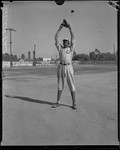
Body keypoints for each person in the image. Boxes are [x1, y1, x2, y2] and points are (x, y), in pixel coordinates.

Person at [52, 19, 77, 109]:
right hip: (61, 67)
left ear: (68, 43)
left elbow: (73, 38)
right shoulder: (60, 48)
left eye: (66, 41)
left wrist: (70, 28)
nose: (65, 42)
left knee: (71, 84)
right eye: (64, 41)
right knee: (60, 84)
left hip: (69, 67)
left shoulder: (70, 48)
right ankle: (58, 102)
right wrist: (60, 28)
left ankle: (74, 103)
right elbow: (55, 38)